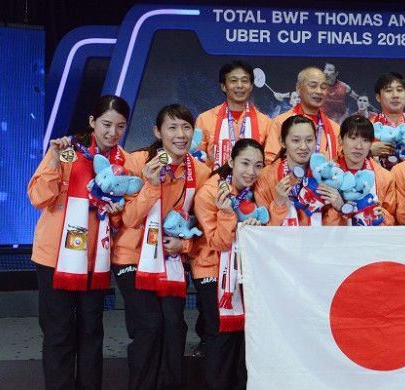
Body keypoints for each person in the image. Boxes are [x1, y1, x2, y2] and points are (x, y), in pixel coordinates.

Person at [28, 95, 130, 390]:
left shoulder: (123, 163)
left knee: (91, 332)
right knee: (59, 332)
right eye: (106, 124)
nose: (112, 132)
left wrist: (117, 213)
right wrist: (52, 159)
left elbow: (124, 218)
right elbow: (38, 197)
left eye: (120, 126)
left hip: (95, 260)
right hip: (55, 258)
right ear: (92, 122)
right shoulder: (70, 152)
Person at [112, 104, 211, 390]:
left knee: (174, 326)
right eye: (172, 127)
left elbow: (205, 227)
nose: (180, 135)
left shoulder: (201, 173)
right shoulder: (138, 162)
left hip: (170, 261)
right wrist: (151, 185)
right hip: (132, 255)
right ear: (157, 131)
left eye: (186, 128)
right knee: (149, 326)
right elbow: (128, 219)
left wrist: (184, 244)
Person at [193, 138, 266, 389]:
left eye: (258, 165)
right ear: (231, 161)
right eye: (245, 163)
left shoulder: (253, 192)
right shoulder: (210, 192)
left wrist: (258, 227)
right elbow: (218, 242)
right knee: (220, 337)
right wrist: (226, 214)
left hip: (242, 273)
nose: (251, 172)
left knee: (242, 338)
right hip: (211, 272)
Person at [255, 115, 344, 226]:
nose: (303, 147)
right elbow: (261, 231)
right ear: (282, 142)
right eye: (296, 140)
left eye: (309, 140)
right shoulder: (266, 177)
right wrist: (279, 203)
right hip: (283, 242)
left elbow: (341, 229)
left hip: (320, 241)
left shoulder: (330, 174)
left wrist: (340, 207)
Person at [195, 60, 273, 171]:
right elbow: (198, 160)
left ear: (251, 86)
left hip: (253, 185)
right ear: (223, 86)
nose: (240, 85)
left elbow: (269, 164)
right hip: (214, 185)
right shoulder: (204, 119)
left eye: (245, 81)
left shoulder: (266, 123)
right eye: (233, 81)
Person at [265, 67, 341, 164]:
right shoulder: (282, 122)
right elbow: (270, 162)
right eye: (313, 86)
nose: (319, 91)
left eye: (323, 87)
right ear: (298, 88)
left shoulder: (335, 129)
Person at [334, 115, 396, 225]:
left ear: (371, 144)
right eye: (353, 138)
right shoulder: (328, 174)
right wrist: (341, 209)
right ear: (340, 139)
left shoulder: (385, 177)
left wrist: (383, 216)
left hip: (371, 240)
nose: (359, 146)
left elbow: (392, 219)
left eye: (365, 140)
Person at [370, 72, 405, 170]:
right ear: (378, 97)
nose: (395, 95)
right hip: (378, 182)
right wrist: (368, 151)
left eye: (399, 90)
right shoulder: (367, 127)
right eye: (389, 90)